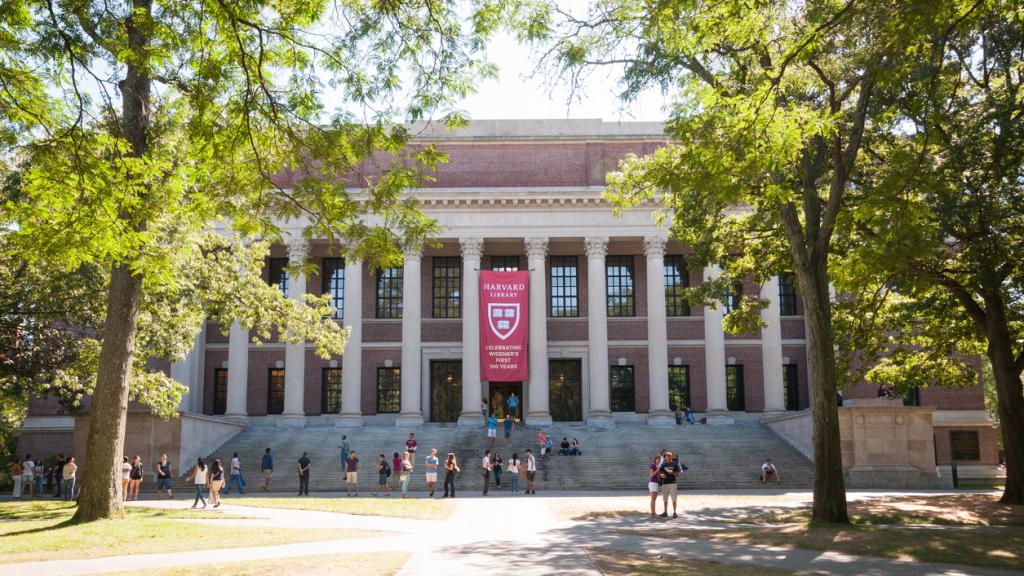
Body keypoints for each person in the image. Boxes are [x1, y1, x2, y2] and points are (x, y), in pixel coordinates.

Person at [658, 451, 681, 518]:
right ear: (665, 457)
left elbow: (678, 475)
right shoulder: (663, 464)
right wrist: (662, 475)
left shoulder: (675, 464)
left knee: (674, 498)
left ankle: (674, 512)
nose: (668, 457)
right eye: (666, 456)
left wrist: (673, 472)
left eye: (669, 456)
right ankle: (665, 512)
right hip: (665, 483)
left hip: (672, 483)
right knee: (665, 499)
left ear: (671, 457)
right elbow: (659, 473)